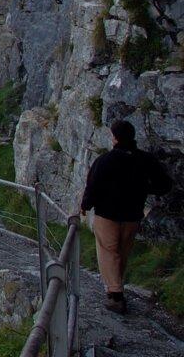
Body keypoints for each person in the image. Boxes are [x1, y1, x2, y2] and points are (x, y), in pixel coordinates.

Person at [80, 120, 172, 314]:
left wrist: (85, 206)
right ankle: (116, 288)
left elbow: (93, 186)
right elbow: (164, 185)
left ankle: (115, 294)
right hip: (132, 214)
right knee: (122, 252)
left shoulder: (105, 160)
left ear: (115, 138)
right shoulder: (145, 160)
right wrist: (145, 189)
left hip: (107, 214)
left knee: (108, 251)